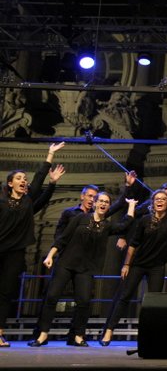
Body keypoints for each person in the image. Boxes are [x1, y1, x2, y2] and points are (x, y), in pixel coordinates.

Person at [99, 162, 167, 346]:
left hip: (157, 266)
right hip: (138, 263)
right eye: (156, 199)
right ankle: (109, 331)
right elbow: (133, 244)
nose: (159, 201)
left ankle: (151, 335)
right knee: (125, 296)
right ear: (152, 203)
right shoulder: (144, 220)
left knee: (154, 300)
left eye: (163, 199)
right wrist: (126, 264)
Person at [29, 195, 137, 347]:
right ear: (95, 203)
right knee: (52, 296)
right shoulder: (80, 218)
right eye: (101, 201)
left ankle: (78, 336)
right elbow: (63, 238)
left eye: (106, 202)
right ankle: (43, 334)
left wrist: (131, 206)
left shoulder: (107, 226)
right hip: (66, 263)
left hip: (86, 268)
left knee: (84, 301)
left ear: (108, 206)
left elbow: (124, 225)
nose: (103, 204)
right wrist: (50, 255)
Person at [0, 142, 65, 347]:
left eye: (24, 179)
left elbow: (38, 181)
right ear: (10, 183)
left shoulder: (28, 202)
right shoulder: (1, 202)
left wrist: (50, 156)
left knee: (5, 294)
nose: (23, 181)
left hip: (15, 253)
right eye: (19, 178)